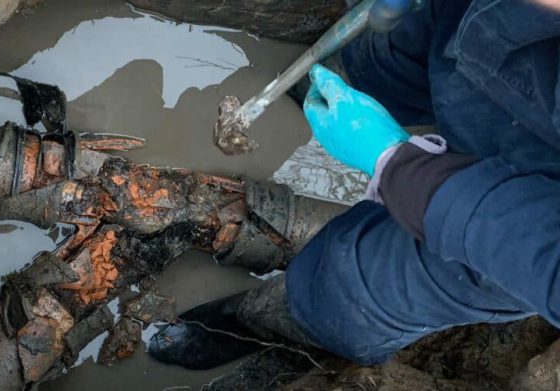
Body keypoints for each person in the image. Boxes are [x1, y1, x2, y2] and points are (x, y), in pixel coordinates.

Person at [148, 0, 560, 369]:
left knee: (364, 285)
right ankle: (325, 86)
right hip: (498, 23)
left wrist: (397, 164)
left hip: (527, 230)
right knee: (395, 53)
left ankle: (263, 319)